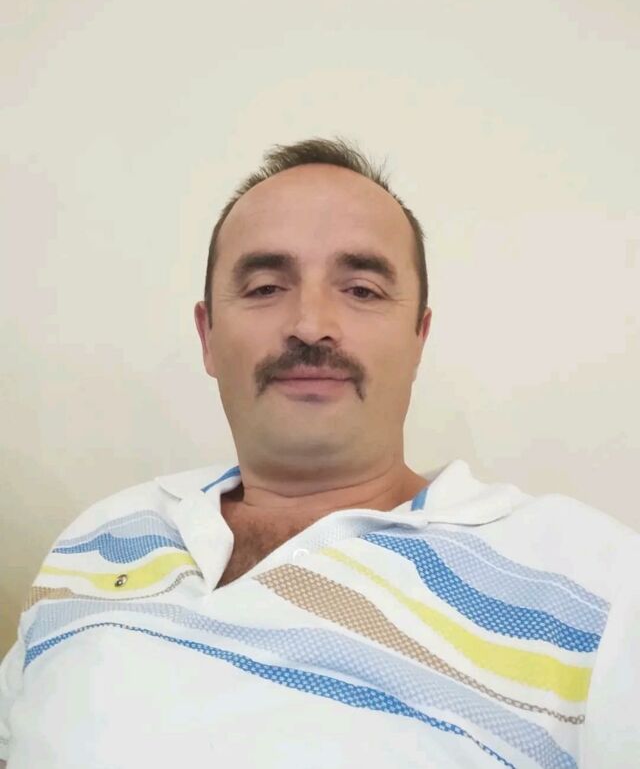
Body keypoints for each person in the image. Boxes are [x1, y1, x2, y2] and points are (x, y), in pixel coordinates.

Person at [1, 138, 638, 769]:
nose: (310, 325)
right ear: (207, 336)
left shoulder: (594, 584)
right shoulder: (100, 536)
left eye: (361, 289)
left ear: (419, 337)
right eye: (264, 287)